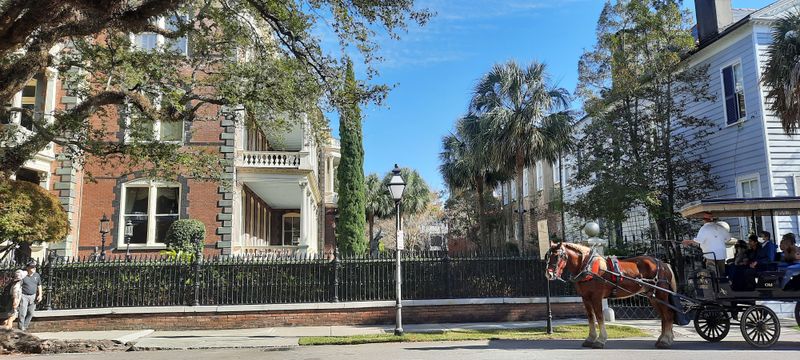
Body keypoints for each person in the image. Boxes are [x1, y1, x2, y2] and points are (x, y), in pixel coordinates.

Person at [17, 260, 42, 331]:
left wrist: (40, 295)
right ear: (27, 268)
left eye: (34, 267)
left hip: (33, 296)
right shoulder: (23, 276)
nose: (34, 268)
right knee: (22, 313)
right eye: (32, 267)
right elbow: (18, 286)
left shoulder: (37, 275)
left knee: (31, 313)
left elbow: (39, 285)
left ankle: (25, 326)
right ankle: (21, 328)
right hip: (24, 296)